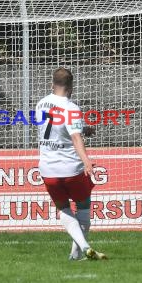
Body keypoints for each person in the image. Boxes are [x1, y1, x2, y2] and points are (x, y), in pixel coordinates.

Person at [35, 67, 107, 261]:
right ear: (71, 87)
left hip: (48, 170)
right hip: (71, 169)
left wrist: (84, 128)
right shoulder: (71, 107)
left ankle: (77, 255)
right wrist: (87, 161)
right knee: (83, 207)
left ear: (52, 84)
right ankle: (82, 249)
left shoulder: (41, 104)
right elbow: (74, 136)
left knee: (63, 208)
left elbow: (56, 124)